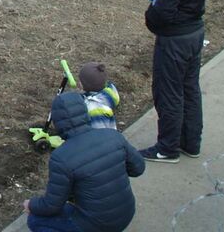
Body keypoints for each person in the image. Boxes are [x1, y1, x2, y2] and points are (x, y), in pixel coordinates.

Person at [141, 0, 214, 163]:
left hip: (174, 41)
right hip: (195, 33)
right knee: (189, 89)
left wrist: (149, 14)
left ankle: (167, 148)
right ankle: (190, 142)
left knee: (169, 93)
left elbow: (162, 15)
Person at [24, 92, 145, 232]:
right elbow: (139, 168)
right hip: (126, 213)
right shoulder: (113, 136)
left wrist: (31, 204)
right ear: (85, 112)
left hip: (97, 225)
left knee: (35, 220)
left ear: (57, 121)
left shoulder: (61, 156)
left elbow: (51, 206)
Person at [78, 61, 121, 131]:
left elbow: (101, 134)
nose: (78, 82)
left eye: (80, 81)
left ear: (87, 86)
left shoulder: (94, 109)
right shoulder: (109, 93)